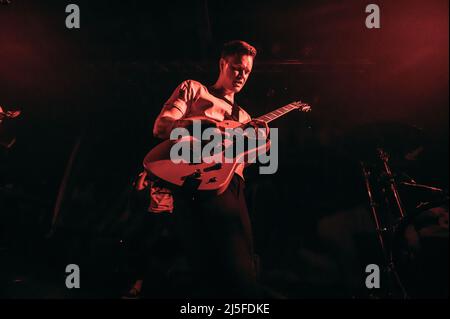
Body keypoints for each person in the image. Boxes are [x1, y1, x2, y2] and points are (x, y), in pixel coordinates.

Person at [151, 40, 263, 298]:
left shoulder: (244, 117)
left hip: (232, 187)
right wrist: (205, 127)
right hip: (192, 183)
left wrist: (260, 146)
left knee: (243, 269)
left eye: (246, 71)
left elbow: (244, 161)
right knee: (199, 269)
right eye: (236, 68)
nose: (241, 76)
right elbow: (161, 127)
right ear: (222, 64)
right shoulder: (194, 89)